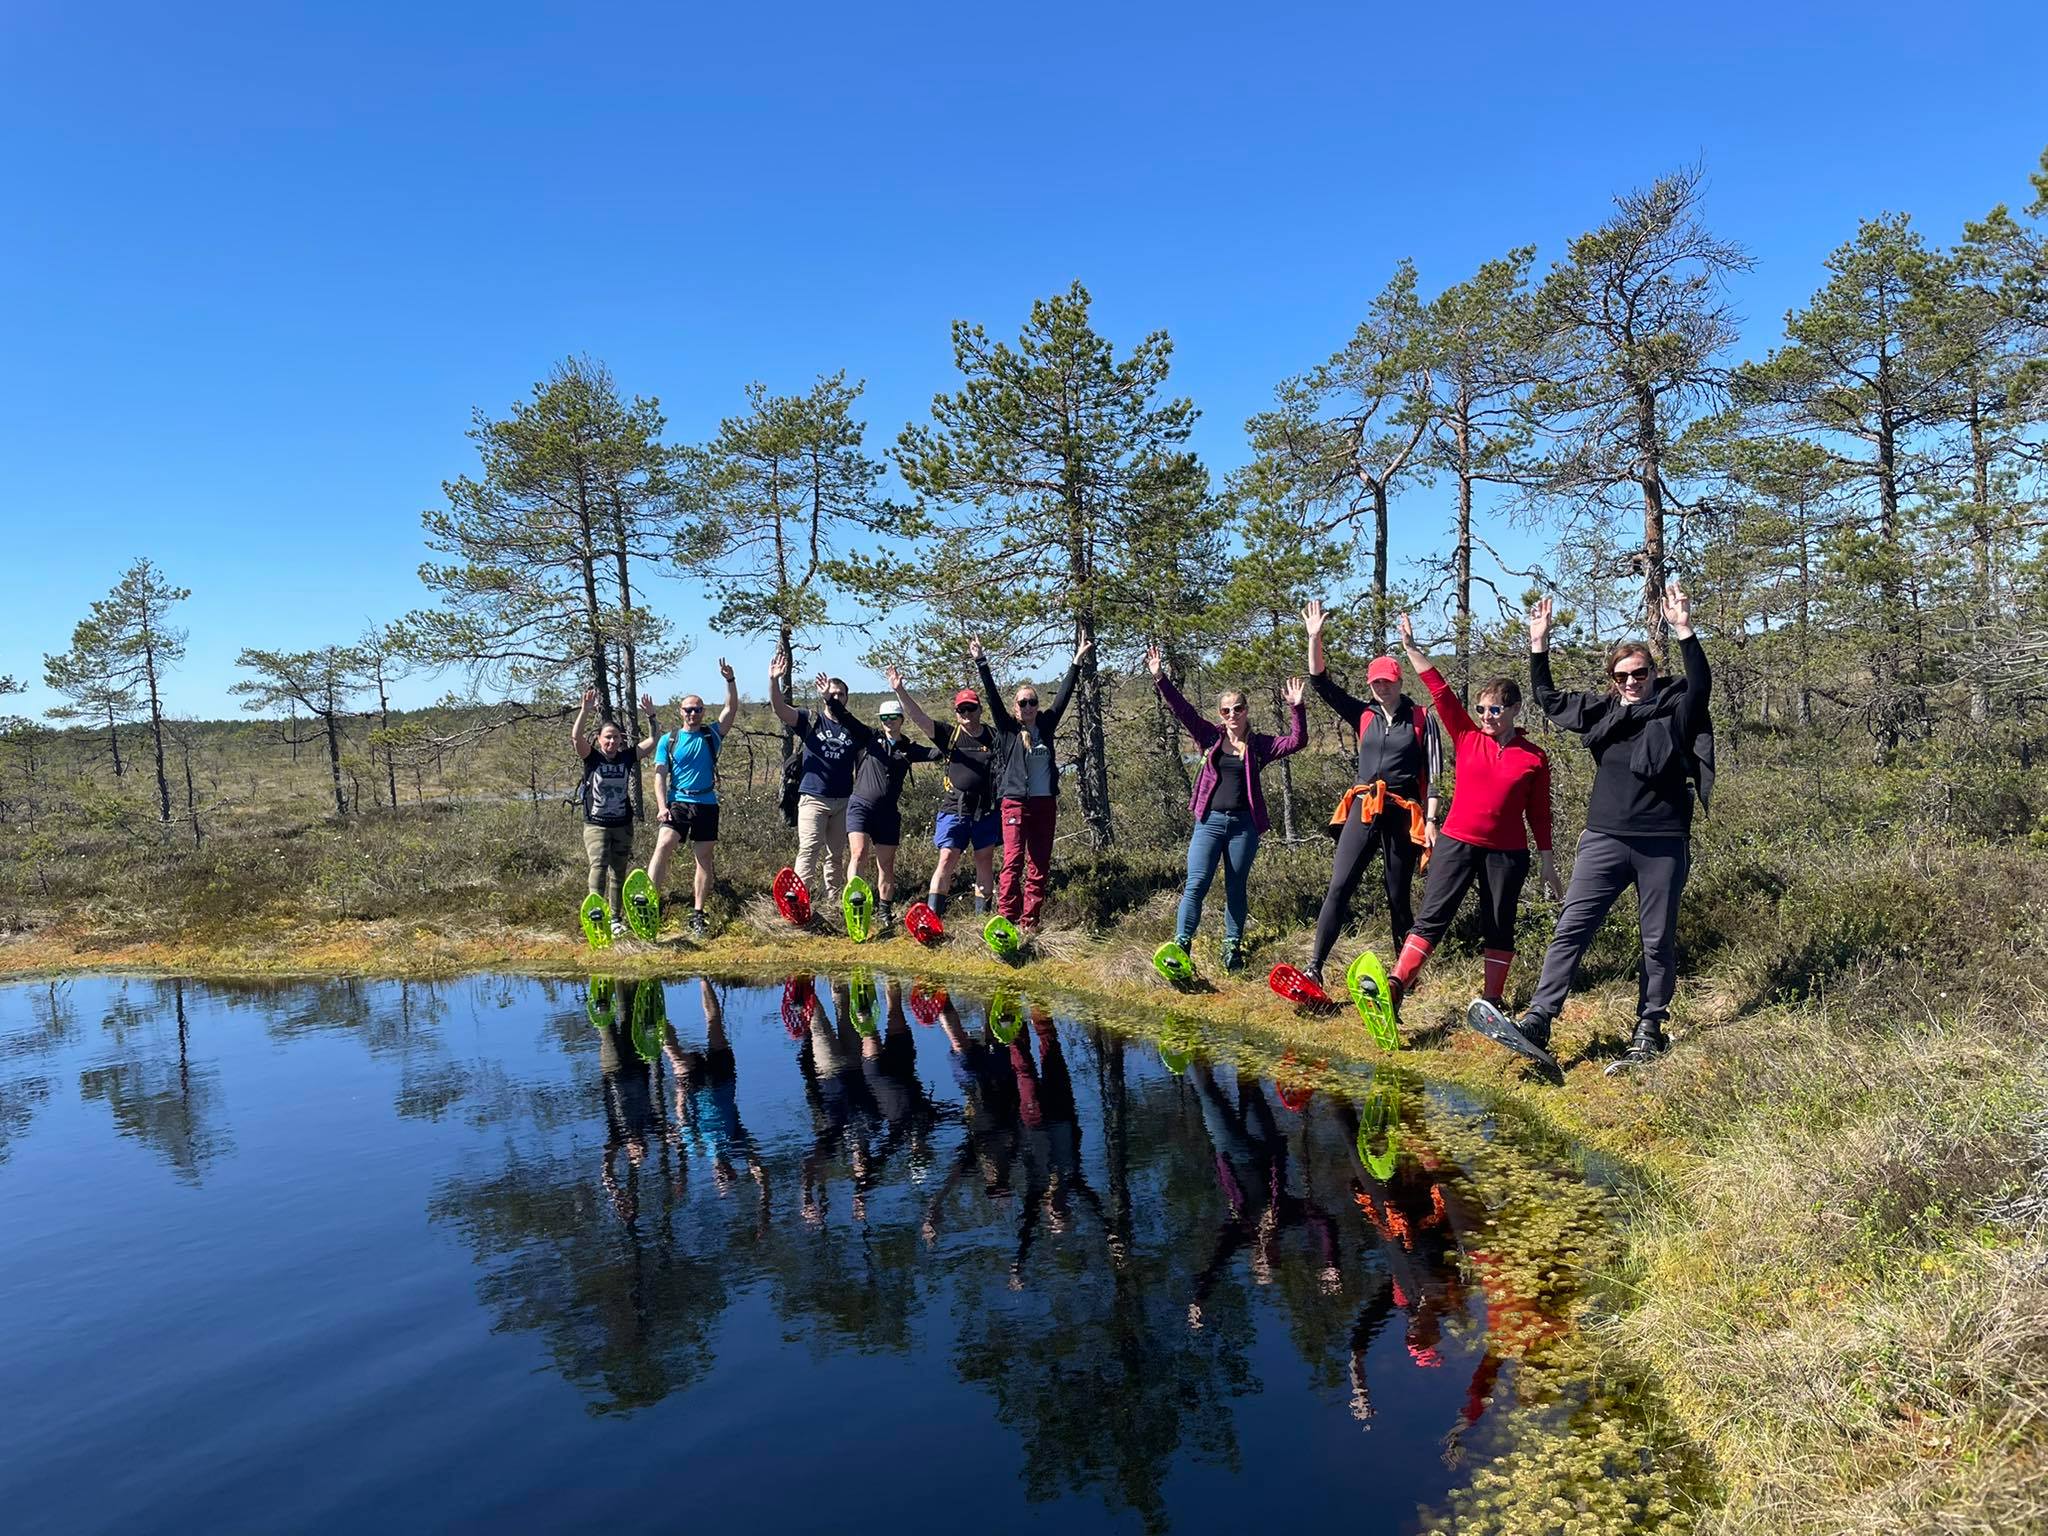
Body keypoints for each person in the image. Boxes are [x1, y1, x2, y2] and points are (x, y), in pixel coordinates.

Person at [1493, 581, 1714, 1074]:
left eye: (1639, 673)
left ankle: (1649, 1029)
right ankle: (1539, 1020)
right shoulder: (1604, 713)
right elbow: (1549, 699)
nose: (1631, 682)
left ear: (1653, 673)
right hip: (1604, 839)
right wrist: (1538, 645)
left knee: (1656, 940)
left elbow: (1700, 685)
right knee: (1571, 928)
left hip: (1662, 843)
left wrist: (1684, 629)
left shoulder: (1676, 709)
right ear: (1613, 680)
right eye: (1622, 675)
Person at [1386, 612, 1562, 1018]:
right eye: (1481, 708)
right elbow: (1440, 691)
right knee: (1432, 917)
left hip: (1507, 854)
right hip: (1456, 843)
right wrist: (1411, 649)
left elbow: (1539, 814)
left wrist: (1547, 862)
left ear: (1515, 709)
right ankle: (1396, 985)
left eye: (1495, 709)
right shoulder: (1466, 735)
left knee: (1499, 924)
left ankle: (1492, 1002)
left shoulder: (1534, 757)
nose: (1486, 716)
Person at [1300, 600, 1443, 990]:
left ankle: (1404, 978)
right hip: (1364, 806)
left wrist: (1431, 820)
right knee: (1340, 885)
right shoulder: (1363, 714)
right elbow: (1320, 683)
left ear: (1400, 681)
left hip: (1403, 812)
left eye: (1388, 681)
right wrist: (1315, 638)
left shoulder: (1422, 718)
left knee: (1398, 895)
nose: (1382, 687)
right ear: (1370, 684)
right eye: (1376, 682)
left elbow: (1435, 774)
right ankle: (1315, 968)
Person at [1146, 645, 1309, 972]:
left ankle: (1232, 948)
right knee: (1196, 883)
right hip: (1208, 823)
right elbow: (1183, 711)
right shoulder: (1210, 737)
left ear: (1246, 710)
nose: (1232, 715)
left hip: (1243, 827)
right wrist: (1160, 677)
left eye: (1237, 709)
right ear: (1220, 714)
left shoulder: (1260, 745)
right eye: (1226, 710)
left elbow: (1297, 740)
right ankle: (1181, 945)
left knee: (1236, 887)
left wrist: (1297, 707)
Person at [972, 634, 1090, 932]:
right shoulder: (1007, 729)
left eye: (1032, 702)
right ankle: (1006, 920)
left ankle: (1030, 923)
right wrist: (981, 661)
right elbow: (992, 697)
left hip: (1044, 804)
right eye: (1022, 702)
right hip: (1014, 802)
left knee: (1039, 864)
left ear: (1037, 706)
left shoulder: (1046, 725)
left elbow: (1063, 697)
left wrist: (1076, 662)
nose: (1027, 706)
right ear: (1015, 707)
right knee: (1013, 861)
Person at [822, 671, 942, 933]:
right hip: (860, 806)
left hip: (888, 814)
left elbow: (937, 752)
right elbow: (846, 718)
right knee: (858, 853)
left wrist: (958, 743)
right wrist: (829, 699)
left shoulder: (909, 748)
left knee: (886, 865)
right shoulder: (869, 737)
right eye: (884, 718)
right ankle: (855, 901)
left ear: (901, 719)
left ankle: (885, 911)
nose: (889, 722)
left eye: (893, 717)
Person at [888, 666, 1002, 918]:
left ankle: (981, 919)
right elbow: (919, 717)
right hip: (954, 809)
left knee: (984, 861)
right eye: (962, 710)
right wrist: (900, 691)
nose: (967, 713)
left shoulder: (995, 737)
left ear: (980, 709)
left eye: (971, 708)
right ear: (957, 713)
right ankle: (932, 918)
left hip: (986, 810)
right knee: (947, 858)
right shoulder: (950, 735)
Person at [649, 660, 738, 939]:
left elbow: (730, 710)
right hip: (678, 802)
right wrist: (662, 807)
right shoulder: (669, 740)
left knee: (704, 858)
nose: (692, 713)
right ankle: (650, 903)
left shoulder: (712, 735)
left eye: (697, 709)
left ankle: (698, 914)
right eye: (688, 709)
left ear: (703, 712)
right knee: (663, 844)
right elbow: (659, 776)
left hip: (707, 803)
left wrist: (730, 681)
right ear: (681, 712)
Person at [767, 653, 858, 919]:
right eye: (832, 693)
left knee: (836, 855)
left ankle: (834, 904)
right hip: (813, 797)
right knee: (809, 849)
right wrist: (774, 681)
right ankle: (797, 902)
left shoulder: (853, 727)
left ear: (847, 698)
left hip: (843, 800)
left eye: (841, 694)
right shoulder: (811, 720)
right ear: (824, 695)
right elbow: (780, 709)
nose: (836, 697)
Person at [572, 688, 660, 937]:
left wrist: (651, 717)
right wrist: (585, 711)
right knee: (598, 865)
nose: (612, 742)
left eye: (616, 738)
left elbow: (653, 741)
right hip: (596, 824)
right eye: (607, 738)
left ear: (621, 740)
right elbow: (576, 737)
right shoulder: (592, 758)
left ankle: (615, 919)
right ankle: (596, 914)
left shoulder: (626, 757)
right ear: (599, 739)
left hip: (622, 824)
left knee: (619, 872)